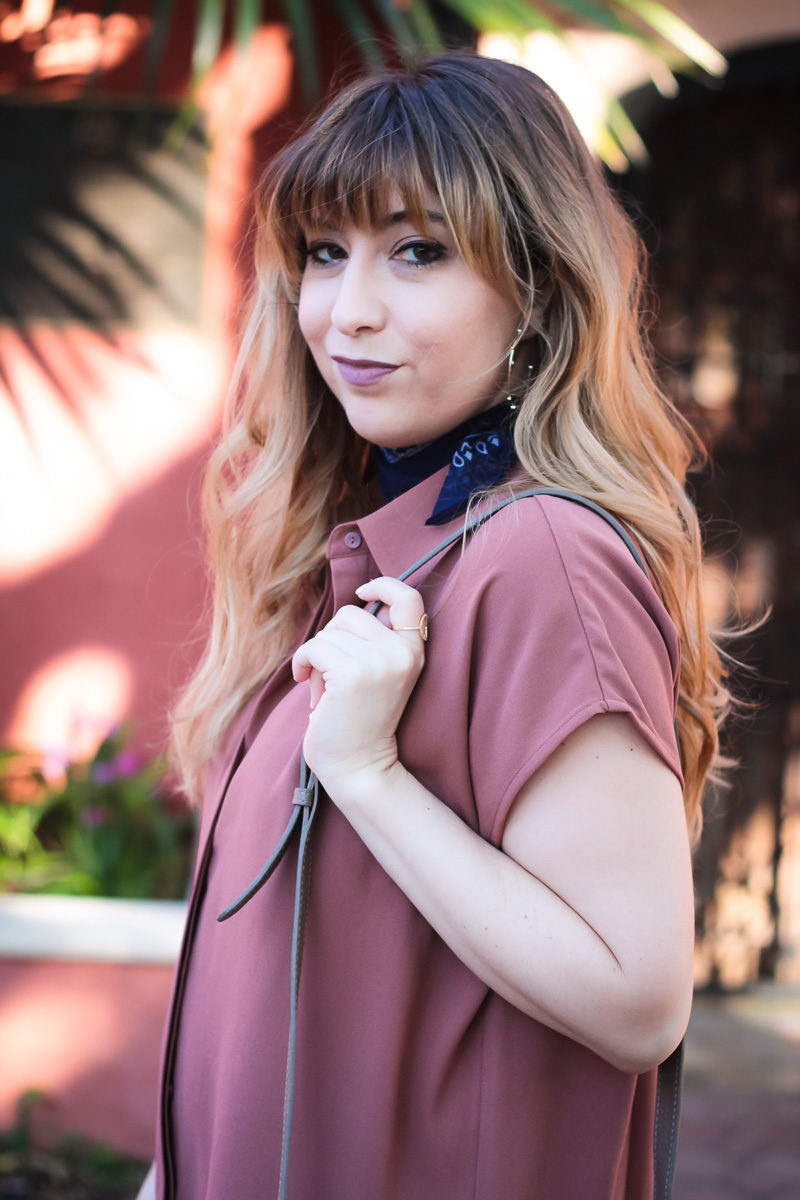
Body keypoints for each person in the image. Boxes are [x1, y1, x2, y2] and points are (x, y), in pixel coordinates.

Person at [138, 48, 741, 1200]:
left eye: (418, 251)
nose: (347, 312)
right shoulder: (379, 537)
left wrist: (368, 774)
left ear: (535, 289)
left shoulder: (536, 555)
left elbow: (636, 998)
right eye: (325, 252)